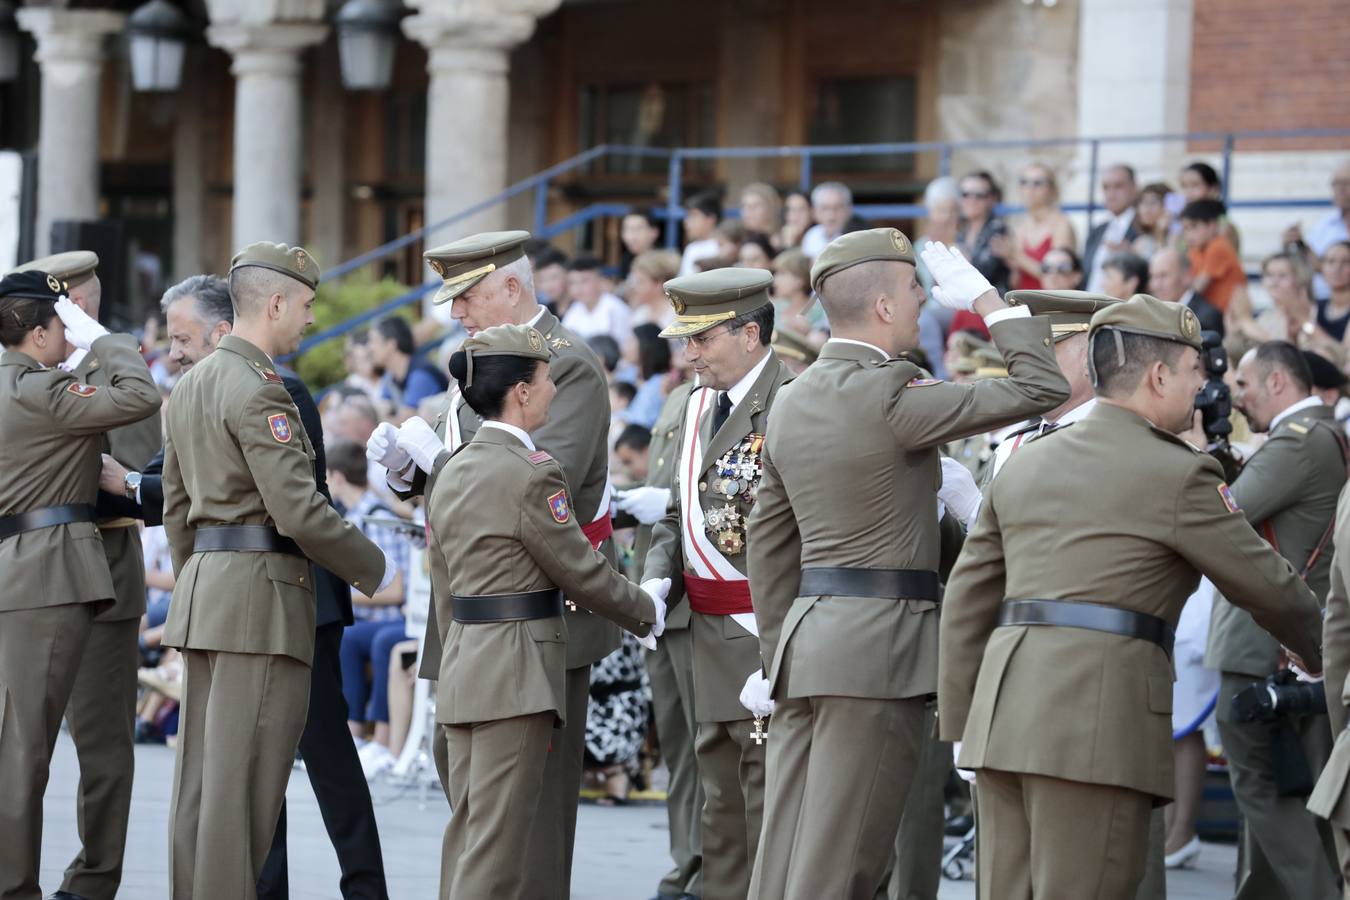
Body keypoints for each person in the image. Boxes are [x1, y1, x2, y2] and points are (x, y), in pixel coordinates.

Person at [939, 295, 1326, 900]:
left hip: (1001, 722)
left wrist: (964, 722)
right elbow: (1267, 585)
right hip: (1098, 724)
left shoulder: (1027, 459)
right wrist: (1322, 651)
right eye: (1195, 373)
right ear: (1159, 374)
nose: (1202, 390)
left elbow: (968, 593)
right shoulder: (1178, 471)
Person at [746, 232, 1069, 900]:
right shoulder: (895, 394)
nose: (925, 302)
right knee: (849, 859)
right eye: (917, 290)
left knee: (790, 849)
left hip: (808, 646)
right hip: (880, 651)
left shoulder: (791, 399)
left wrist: (780, 654)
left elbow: (768, 545)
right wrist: (985, 297)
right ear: (887, 307)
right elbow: (1043, 383)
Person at [104, 273, 394, 899]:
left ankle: (363, 889)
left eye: (182, 338)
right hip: (263, 595)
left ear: (220, 327)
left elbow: (186, 506)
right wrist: (377, 569)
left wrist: (190, 573)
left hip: (293, 600)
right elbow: (274, 507)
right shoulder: (235, 388)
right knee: (244, 776)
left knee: (295, 765)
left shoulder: (265, 388)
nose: (174, 351)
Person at [369, 230, 621, 898]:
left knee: (527, 808)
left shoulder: (561, 363)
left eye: (467, 295)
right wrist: (407, 475)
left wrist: (438, 466)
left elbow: (544, 482)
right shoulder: (488, 356)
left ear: (512, 288)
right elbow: (473, 472)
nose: (456, 313)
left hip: (534, 610)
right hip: (471, 606)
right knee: (474, 791)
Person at [424, 323, 667, 899]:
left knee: (469, 832)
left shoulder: (453, 467)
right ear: (522, 391)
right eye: (547, 378)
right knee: (500, 845)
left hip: (465, 659)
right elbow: (576, 567)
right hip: (515, 669)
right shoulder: (532, 472)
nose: (556, 390)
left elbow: (443, 572)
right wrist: (645, 609)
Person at [0, 270, 159, 900]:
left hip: (19, 568)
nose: (69, 334)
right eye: (62, 323)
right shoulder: (43, 389)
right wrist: (109, 340)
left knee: (19, 739)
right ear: (39, 333)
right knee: (24, 749)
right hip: (49, 570)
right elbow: (140, 395)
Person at [640, 268, 793, 900]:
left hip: (763, 633)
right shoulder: (695, 403)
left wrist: (783, 640)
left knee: (767, 805)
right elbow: (679, 515)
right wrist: (654, 583)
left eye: (702, 339)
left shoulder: (793, 400)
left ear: (751, 334)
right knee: (720, 808)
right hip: (703, 633)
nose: (689, 354)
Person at [1204, 340, 1346, 900]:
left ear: (1278, 383)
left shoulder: (1298, 442)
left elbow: (1222, 515)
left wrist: (1194, 458)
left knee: (1258, 784)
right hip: (1290, 640)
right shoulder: (1316, 437)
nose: (1236, 398)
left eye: (1244, 384)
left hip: (1261, 640)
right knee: (1289, 788)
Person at [615, 384, 704, 900]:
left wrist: (667, 500)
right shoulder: (679, 400)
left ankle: (714, 868)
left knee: (706, 746)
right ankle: (687, 864)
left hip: (708, 595)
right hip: (664, 593)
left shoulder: (754, 398)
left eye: (699, 335)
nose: (691, 349)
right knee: (678, 745)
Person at [328, 440, 409, 773]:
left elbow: (395, 590)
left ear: (336, 476)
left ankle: (368, 735)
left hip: (390, 615)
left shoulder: (376, 517)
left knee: (365, 638)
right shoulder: (358, 514)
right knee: (345, 635)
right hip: (371, 616)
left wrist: (341, 595)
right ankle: (352, 732)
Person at [1002, 163, 1076, 291]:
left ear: (1051, 189)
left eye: (1038, 183)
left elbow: (1058, 275)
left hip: (1049, 303)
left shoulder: (1061, 224)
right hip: (1025, 301)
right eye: (1024, 182)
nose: (1029, 188)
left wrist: (1015, 255)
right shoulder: (1022, 226)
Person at [369, 315, 449, 421]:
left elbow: (404, 421)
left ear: (390, 344)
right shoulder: (391, 377)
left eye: (374, 341)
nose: (370, 348)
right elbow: (382, 408)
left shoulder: (421, 375)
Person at [1181, 198, 1248, 320]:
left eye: (1194, 227)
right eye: (1185, 228)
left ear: (1212, 225)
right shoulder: (1196, 249)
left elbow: (1198, 287)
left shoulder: (1218, 247)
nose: (1189, 234)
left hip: (1227, 317)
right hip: (1209, 314)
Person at [1084, 164, 1140, 294]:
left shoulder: (1143, 226)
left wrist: (1133, 255)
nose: (1111, 193)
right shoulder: (1096, 231)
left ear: (1134, 188)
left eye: (1118, 186)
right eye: (1106, 187)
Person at [1148, 246, 1225, 337]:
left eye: (1164, 276)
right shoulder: (1151, 313)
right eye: (1153, 277)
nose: (1156, 285)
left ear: (1186, 276)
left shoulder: (1206, 318)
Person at [561, 255, 633, 347]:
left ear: (600, 280)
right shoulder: (574, 308)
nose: (577, 289)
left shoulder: (615, 308)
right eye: (572, 283)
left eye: (584, 281)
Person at [1180, 161, 1241, 252]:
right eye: (1184, 186)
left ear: (1214, 189)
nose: (1188, 192)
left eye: (1195, 185)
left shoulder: (1224, 227)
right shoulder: (1183, 221)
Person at [770, 249, 828, 339]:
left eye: (782, 273)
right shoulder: (774, 308)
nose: (775, 279)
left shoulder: (819, 311)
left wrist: (808, 332)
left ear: (800, 279)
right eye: (776, 273)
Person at [627, 249, 681, 329]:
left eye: (640, 282)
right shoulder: (640, 314)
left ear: (658, 284)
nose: (635, 288)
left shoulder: (677, 315)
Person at [800, 182, 856, 258]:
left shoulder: (858, 238)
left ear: (849, 210)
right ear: (815, 211)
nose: (831, 216)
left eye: (838, 208)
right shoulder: (812, 235)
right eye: (825, 208)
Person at [680, 192, 723, 275]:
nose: (686, 222)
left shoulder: (721, 247)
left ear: (711, 219)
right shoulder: (691, 248)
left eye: (693, 216)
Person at [1317, 241, 1350, 341]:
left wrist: (1307, 324)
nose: (1337, 268)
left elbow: (1344, 354)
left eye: (1346, 262)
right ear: (1322, 266)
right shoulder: (1315, 306)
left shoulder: (1306, 317)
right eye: (1331, 261)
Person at [1132, 182, 1173, 259]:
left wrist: (1160, 234)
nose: (1146, 209)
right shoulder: (1141, 242)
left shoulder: (1177, 238)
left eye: (1153, 202)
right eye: (1143, 202)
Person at [620, 208, 662, 280]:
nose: (631, 236)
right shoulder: (626, 259)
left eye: (638, 229)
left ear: (654, 232)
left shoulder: (663, 263)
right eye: (627, 229)